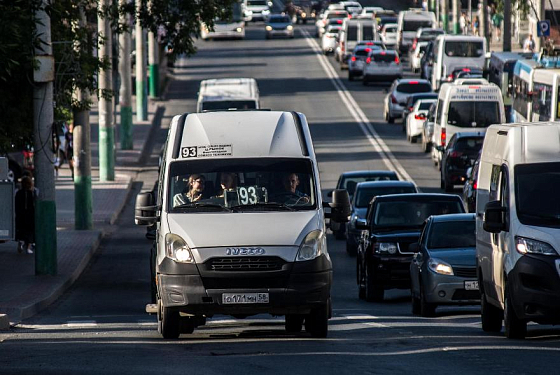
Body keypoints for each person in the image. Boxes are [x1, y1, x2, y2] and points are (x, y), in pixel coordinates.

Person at [15, 176, 36, 254]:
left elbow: (16, 204)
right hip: (30, 216)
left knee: (21, 231)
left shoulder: (19, 193)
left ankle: (20, 243)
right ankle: (29, 247)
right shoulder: (32, 193)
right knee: (30, 232)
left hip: (20, 215)